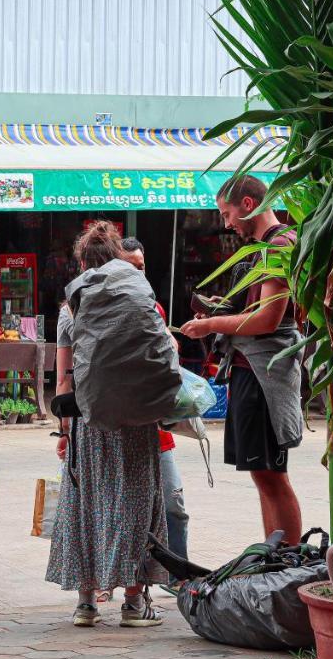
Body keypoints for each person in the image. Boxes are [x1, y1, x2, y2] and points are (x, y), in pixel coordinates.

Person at [47, 221, 168, 628]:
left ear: (82, 262)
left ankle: (86, 604)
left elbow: (64, 380)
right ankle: (134, 605)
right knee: (135, 504)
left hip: (89, 421)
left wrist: (64, 433)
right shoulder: (137, 299)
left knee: (86, 505)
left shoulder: (70, 310)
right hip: (135, 421)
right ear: (117, 259)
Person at [180, 176, 303, 545]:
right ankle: (274, 557)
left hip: (265, 371)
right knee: (261, 473)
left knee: (271, 475)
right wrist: (216, 317)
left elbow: (267, 319)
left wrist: (213, 325)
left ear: (248, 204)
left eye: (227, 213)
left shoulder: (280, 244)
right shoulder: (261, 247)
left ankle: (287, 560)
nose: (227, 223)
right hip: (250, 367)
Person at [121, 237, 189, 590]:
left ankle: (176, 577)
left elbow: (168, 353)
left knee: (173, 503)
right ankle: (118, 583)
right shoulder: (99, 307)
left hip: (157, 427)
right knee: (123, 508)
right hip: (119, 425)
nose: (137, 273)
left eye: (141, 267)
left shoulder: (154, 308)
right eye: (130, 266)